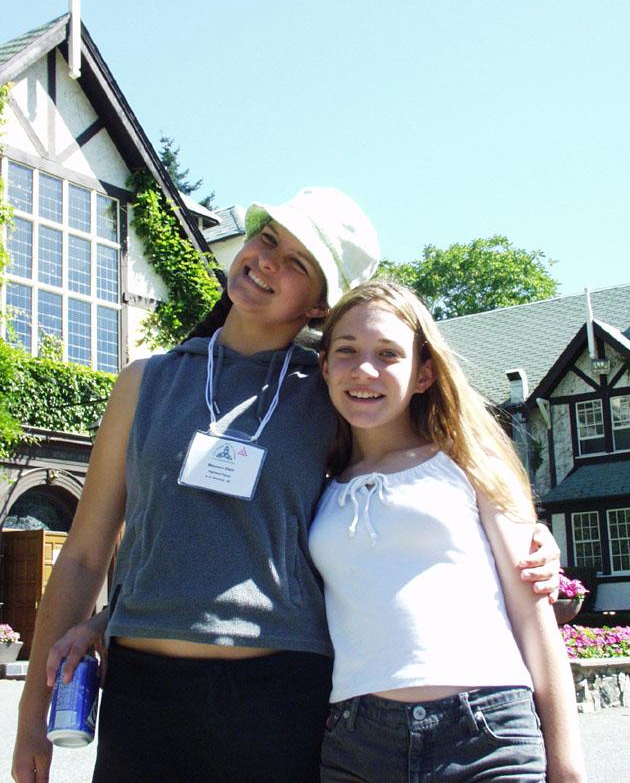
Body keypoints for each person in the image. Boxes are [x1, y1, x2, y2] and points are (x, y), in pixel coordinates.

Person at [12, 189, 561, 783]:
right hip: (143, 695)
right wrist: (32, 716)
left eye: (297, 262)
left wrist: (528, 537)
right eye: (267, 239)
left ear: (321, 305)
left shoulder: (337, 391)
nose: (268, 261)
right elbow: (83, 556)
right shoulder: (145, 383)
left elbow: (423, 478)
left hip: (281, 696)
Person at [309, 280, 586, 782]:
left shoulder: (471, 463)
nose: (364, 369)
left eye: (388, 354)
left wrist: (567, 768)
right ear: (325, 366)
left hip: (486, 732)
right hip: (356, 742)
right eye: (346, 350)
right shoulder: (317, 484)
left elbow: (533, 616)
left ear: (424, 373)